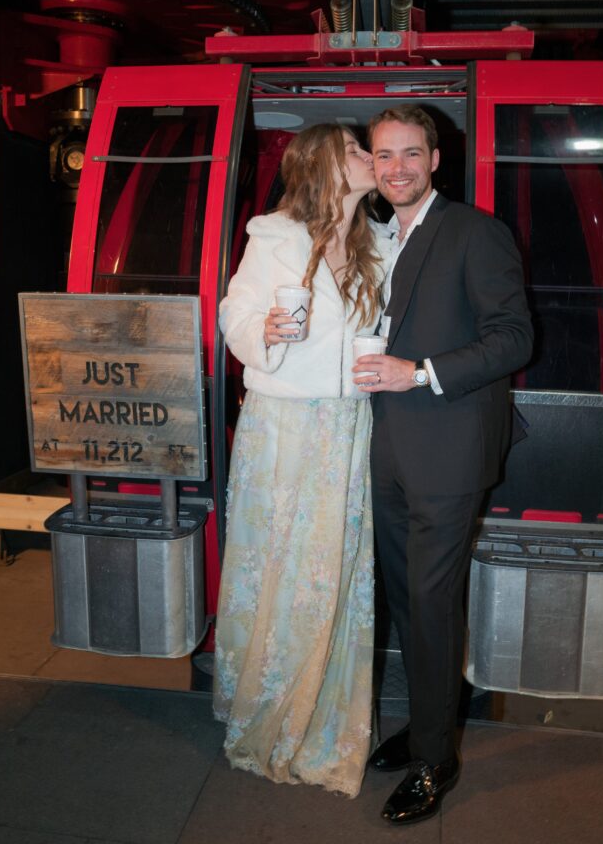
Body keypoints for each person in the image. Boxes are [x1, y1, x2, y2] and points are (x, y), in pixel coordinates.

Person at [354, 105, 533, 825]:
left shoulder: (474, 231)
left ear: (434, 159)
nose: (395, 168)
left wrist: (420, 372)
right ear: (371, 164)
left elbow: (514, 338)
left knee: (430, 605)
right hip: (388, 447)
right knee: (405, 600)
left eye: (409, 154)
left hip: (448, 450)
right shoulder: (377, 236)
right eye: (383, 155)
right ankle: (425, 726)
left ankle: (435, 760)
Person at [213, 123, 393, 798]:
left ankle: (322, 717)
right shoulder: (274, 235)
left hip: (347, 426)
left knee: (332, 570)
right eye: (356, 149)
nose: (370, 158)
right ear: (322, 163)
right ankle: (269, 709)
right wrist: (259, 330)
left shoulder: (379, 241)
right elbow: (234, 313)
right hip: (283, 426)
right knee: (280, 566)